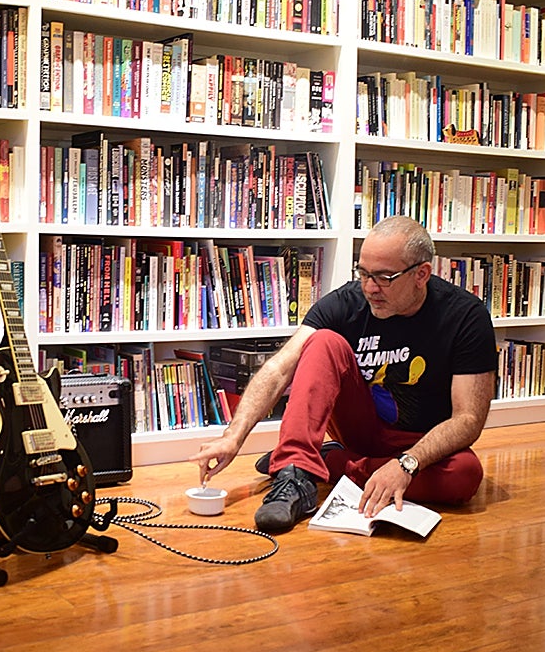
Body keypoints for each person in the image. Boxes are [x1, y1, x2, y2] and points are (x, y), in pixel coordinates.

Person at [191, 215, 497, 534]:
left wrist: (407, 464)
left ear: (421, 274)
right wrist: (233, 436)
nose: (370, 288)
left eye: (384, 277)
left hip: (420, 440)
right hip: (361, 427)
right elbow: (280, 368)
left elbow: (468, 419)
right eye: (363, 273)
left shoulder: (465, 316)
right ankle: (294, 471)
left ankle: (330, 463)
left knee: (464, 475)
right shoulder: (346, 302)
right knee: (322, 341)